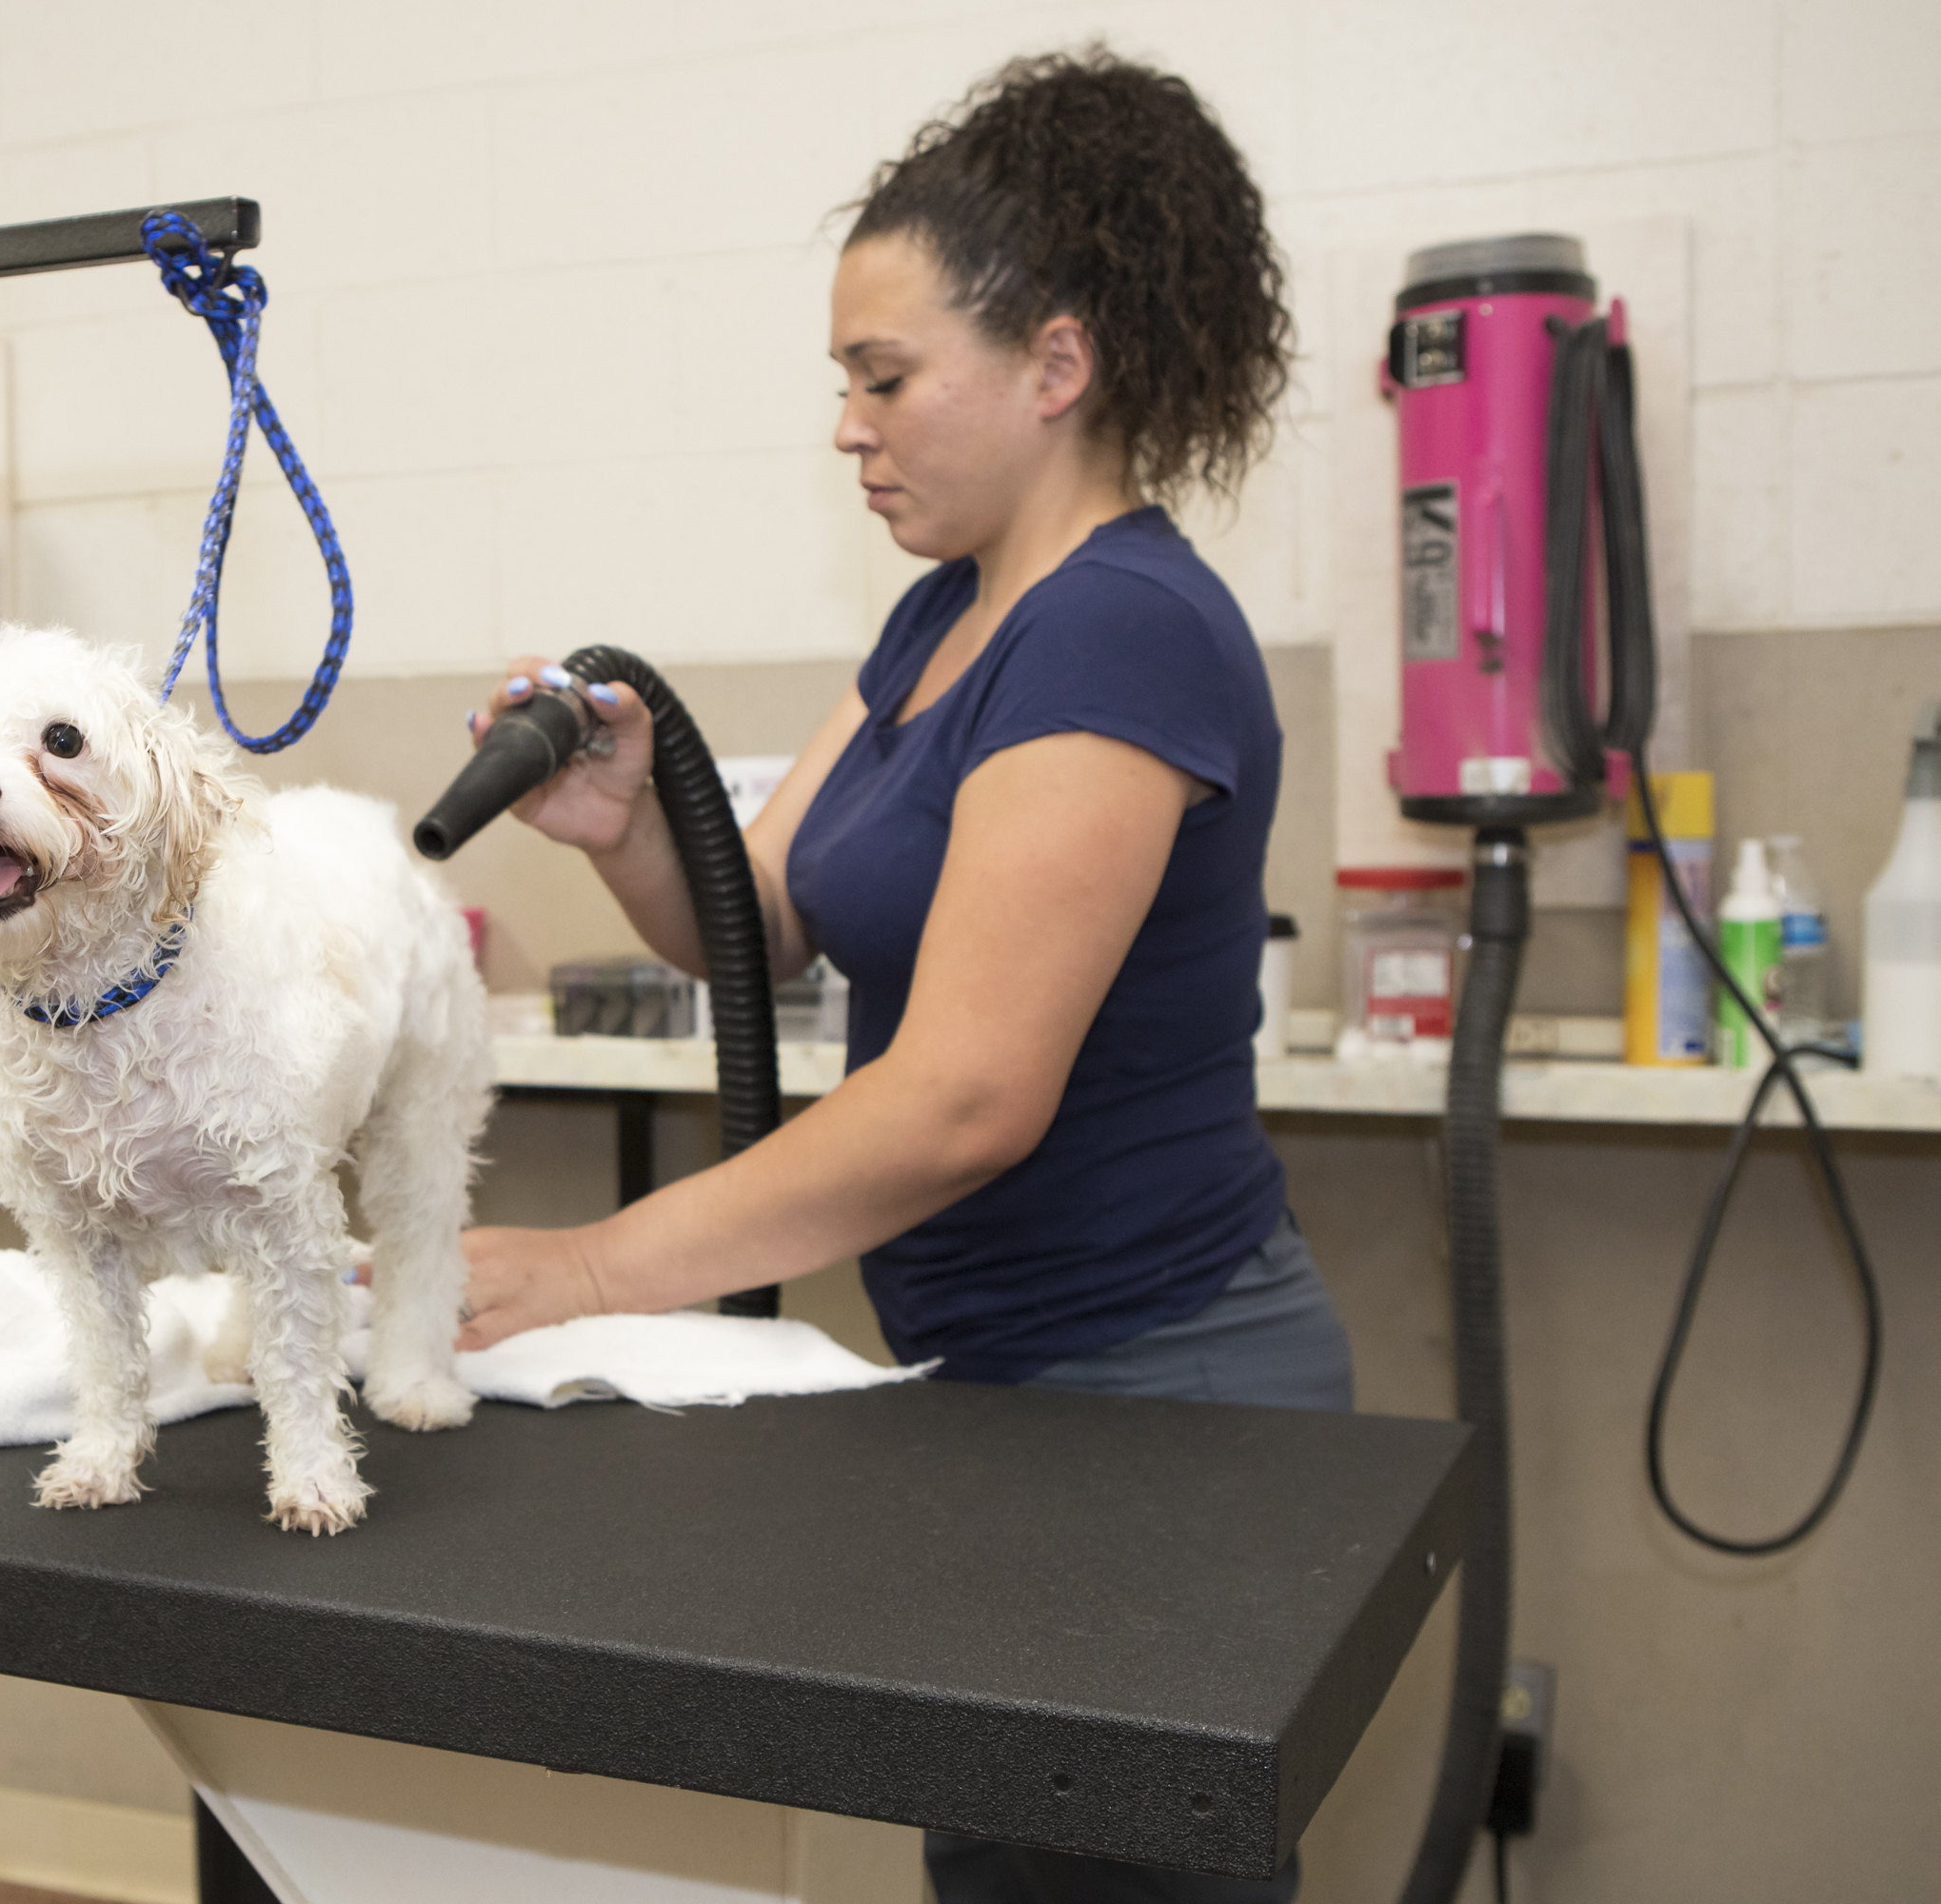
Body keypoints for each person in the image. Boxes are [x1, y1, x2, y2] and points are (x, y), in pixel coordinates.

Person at [457, 48, 1344, 1904]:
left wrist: (593, 1270)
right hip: (994, 1384)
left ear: (1056, 365)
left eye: (885, 377)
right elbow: (766, 924)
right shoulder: (952, 615)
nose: (850, 430)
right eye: (842, 385)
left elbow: (964, 1096)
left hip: (1154, 1406)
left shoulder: (1118, 627)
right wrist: (629, 826)